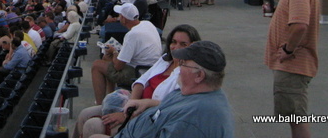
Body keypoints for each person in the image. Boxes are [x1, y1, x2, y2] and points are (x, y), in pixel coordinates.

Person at [77, 24, 201, 138]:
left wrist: (129, 114)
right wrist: (129, 106)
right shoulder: (165, 60)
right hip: (132, 106)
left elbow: (171, 105)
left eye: (183, 44)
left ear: (193, 46)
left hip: (148, 117)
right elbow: (141, 81)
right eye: (174, 42)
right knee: (85, 113)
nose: (176, 47)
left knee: (92, 126)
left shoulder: (189, 74)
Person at [91, 41, 234, 138]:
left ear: (199, 75)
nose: (178, 68)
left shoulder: (193, 121)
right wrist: (147, 102)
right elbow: (171, 106)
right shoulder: (192, 93)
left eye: (183, 64)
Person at [265, 0, 320, 138]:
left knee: (297, 119)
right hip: (293, 65)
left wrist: (288, 50)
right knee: (295, 117)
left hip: (293, 64)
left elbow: (300, 25)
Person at [91, 3, 161, 105]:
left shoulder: (132, 35)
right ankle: (109, 98)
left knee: (96, 66)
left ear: (124, 19)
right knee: (107, 59)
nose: (119, 18)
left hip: (139, 73)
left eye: (120, 16)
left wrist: (114, 51)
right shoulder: (147, 24)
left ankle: (99, 104)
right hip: (152, 69)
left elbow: (118, 66)